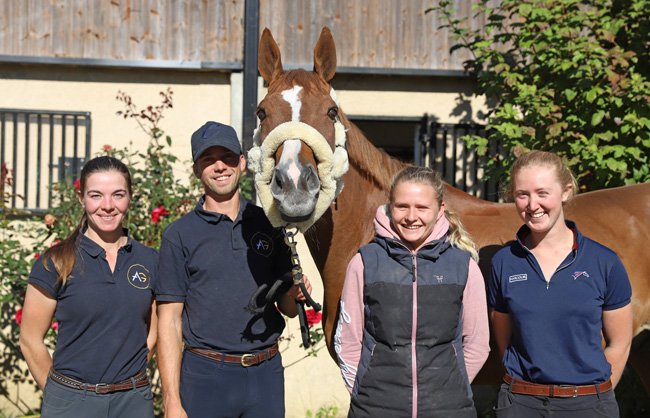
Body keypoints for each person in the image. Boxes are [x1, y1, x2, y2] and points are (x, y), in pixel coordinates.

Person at [155, 121, 311, 418]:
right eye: (208, 159)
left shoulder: (270, 223)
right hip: (205, 376)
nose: (219, 166)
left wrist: (295, 292)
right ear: (196, 169)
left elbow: (288, 308)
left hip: (265, 374)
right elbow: (170, 321)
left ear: (242, 163)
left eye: (227, 157)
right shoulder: (179, 235)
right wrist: (171, 401)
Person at [336, 165, 490, 418]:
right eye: (402, 206)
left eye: (422, 207)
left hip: (448, 409)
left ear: (440, 209)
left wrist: (452, 389)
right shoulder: (364, 262)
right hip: (375, 408)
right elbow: (348, 341)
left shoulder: (463, 266)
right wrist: (365, 393)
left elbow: (477, 343)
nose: (411, 217)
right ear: (390, 206)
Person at [488, 150, 633, 418]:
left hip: (587, 405)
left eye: (543, 193)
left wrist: (594, 396)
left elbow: (620, 343)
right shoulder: (503, 263)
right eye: (522, 194)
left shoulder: (604, 262)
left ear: (565, 192)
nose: (532, 205)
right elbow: (504, 340)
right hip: (521, 404)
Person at [19, 156, 158, 418]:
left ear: (129, 198)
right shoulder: (57, 262)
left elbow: (154, 329)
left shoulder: (150, 260)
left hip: (133, 402)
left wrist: (131, 376)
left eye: (118, 195)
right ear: (82, 198)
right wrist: (59, 396)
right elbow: (29, 339)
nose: (107, 206)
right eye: (96, 195)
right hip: (71, 402)